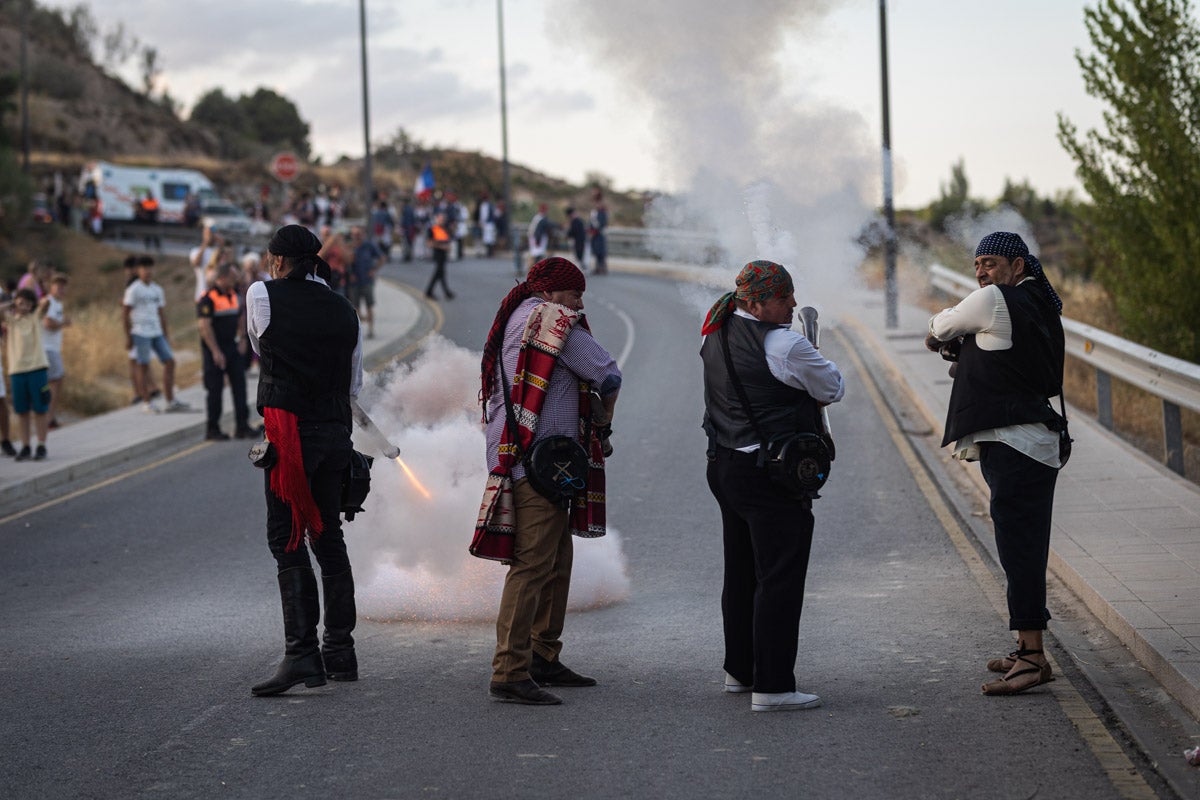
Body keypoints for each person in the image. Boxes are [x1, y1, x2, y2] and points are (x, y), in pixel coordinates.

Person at [473, 256, 621, 706]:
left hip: (521, 451)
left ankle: (542, 656)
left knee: (556, 558)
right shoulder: (554, 320)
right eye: (575, 294)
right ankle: (510, 670)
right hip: (540, 461)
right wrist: (604, 420)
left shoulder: (518, 316)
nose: (579, 304)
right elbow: (608, 372)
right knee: (534, 565)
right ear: (553, 293)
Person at [924, 232, 1066, 696]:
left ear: (1018, 265)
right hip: (1031, 441)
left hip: (1016, 443)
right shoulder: (1039, 303)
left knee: (1019, 549)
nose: (982, 271)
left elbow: (941, 327)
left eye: (990, 262)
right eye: (978, 264)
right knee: (1022, 546)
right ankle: (1028, 646)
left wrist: (946, 327)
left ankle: (1031, 657)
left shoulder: (993, 300)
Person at [700, 260, 844, 712]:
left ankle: (740, 672)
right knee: (779, 579)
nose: (794, 304)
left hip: (724, 464)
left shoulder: (714, 331)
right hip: (769, 473)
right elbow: (833, 387)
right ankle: (774, 687)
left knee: (741, 573)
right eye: (785, 298)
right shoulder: (785, 343)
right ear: (758, 303)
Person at [246, 224, 363, 697]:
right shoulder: (345, 308)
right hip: (335, 432)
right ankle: (340, 651)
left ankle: (301, 656)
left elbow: (262, 347)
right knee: (328, 537)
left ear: (277, 260)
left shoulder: (262, 294)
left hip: (290, 435)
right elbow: (354, 384)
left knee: (287, 539)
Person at [122, 256, 187, 413]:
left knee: (170, 361)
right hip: (140, 331)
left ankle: (170, 400)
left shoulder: (157, 289)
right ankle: (147, 402)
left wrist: (166, 334)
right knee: (143, 366)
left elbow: (161, 313)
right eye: (144, 268)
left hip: (156, 331)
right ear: (138, 270)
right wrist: (128, 337)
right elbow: (125, 314)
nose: (148, 271)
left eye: (150, 267)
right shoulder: (134, 289)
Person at [197, 262, 254, 441]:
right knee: (215, 390)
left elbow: (241, 316)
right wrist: (215, 351)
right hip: (214, 350)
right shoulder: (207, 298)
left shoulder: (234, 294)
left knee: (240, 386)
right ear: (222, 277)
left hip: (232, 346)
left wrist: (243, 338)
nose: (236, 279)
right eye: (232, 276)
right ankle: (212, 429)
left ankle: (242, 426)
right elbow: (204, 326)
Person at [6, 288, 52, 460]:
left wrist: (37, 302)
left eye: (27, 302)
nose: (23, 305)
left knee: (40, 408)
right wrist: (12, 303)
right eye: (20, 302)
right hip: (17, 370)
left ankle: (41, 444)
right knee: (21, 410)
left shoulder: (35, 318)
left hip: (37, 368)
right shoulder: (11, 321)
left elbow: (45, 303)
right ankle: (25, 445)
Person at [40, 273, 70, 429]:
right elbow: (47, 323)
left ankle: (49, 416)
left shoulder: (58, 303)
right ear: (51, 287)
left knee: (53, 381)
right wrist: (63, 323)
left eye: (63, 286)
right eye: (58, 286)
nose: (61, 289)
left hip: (53, 348)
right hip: (47, 348)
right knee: (56, 380)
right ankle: (48, 417)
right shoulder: (48, 302)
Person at [347, 226, 383, 339]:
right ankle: (358, 331)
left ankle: (371, 330)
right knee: (355, 307)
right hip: (354, 282)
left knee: (369, 305)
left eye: (359, 234)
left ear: (363, 234)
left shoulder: (368, 246)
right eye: (354, 234)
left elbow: (381, 257)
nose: (357, 236)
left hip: (367, 281)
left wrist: (374, 270)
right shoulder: (349, 247)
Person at [425, 212, 454, 300]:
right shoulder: (432, 229)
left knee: (440, 273)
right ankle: (444, 292)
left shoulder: (445, 229)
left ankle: (433, 292)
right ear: (436, 219)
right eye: (440, 219)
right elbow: (429, 243)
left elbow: (448, 240)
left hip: (444, 254)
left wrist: (447, 247)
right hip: (437, 253)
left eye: (443, 219)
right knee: (439, 273)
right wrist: (441, 247)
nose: (442, 221)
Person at [589, 191, 609, 275]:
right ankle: (598, 267)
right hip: (595, 234)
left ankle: (602, 267)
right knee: (596, 251)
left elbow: (603, 223)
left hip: (600, 233)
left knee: (601, 251)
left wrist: (597, 228)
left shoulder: (603, 212)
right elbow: (591, 222)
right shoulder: (594, 212)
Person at [527, 204, 550, 271]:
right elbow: (537, 231)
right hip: (536, 238)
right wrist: (537, 241)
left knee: (535, 253)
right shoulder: (539, 218)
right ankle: (532, 269)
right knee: (535, 254)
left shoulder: (538, 217)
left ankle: (533, 268)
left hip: (535, 238)